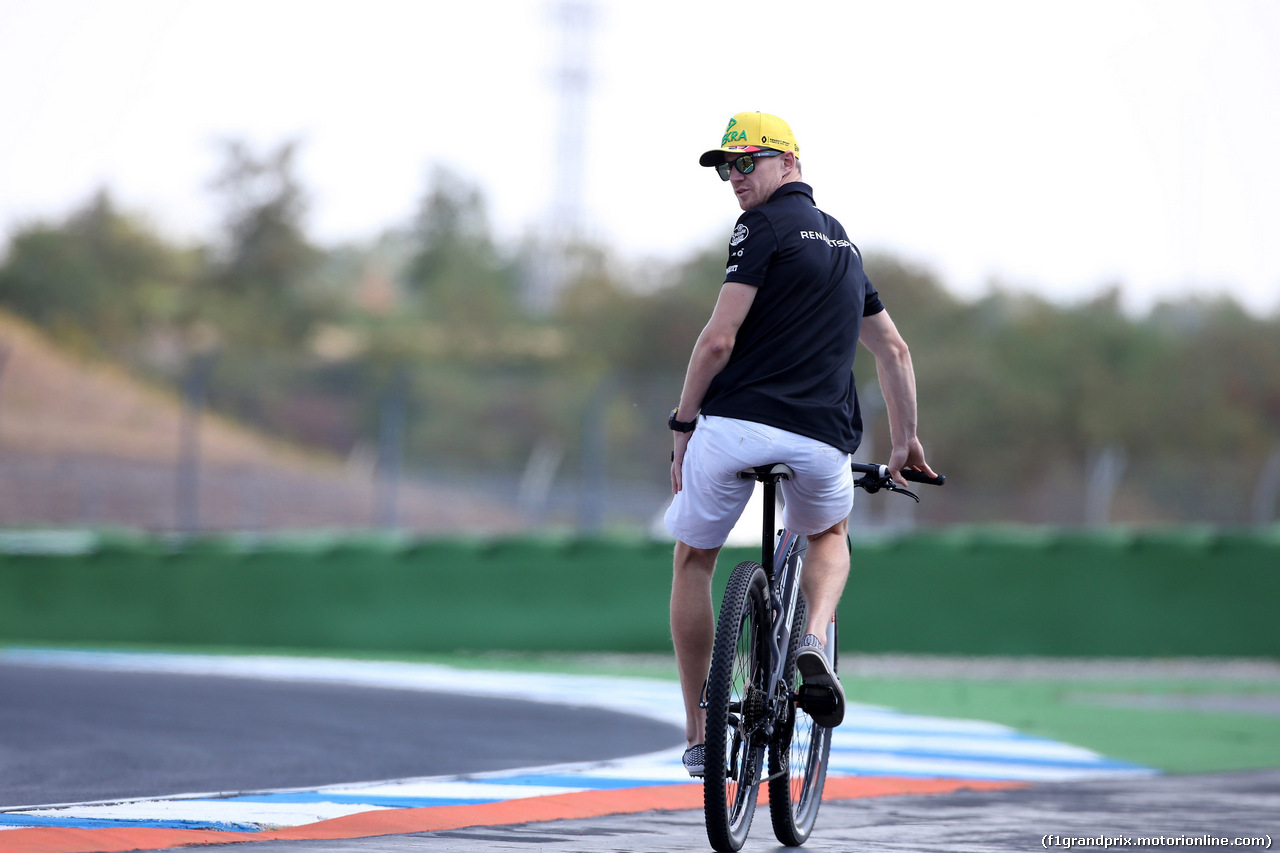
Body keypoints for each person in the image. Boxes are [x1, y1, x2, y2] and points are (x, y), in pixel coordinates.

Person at [664, 112, 935, 778]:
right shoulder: (846, 248)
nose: (734, 178)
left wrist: (680, 425)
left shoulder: (759, 227)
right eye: (725, 167)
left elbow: (719, 338)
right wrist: (905, 444)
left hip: (733, 428)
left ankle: (701, 731)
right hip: (822, 442)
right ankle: (812, 637)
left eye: (745, 162)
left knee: (693, 559)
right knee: (830, 533)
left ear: (790, 162)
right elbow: (893, 349)